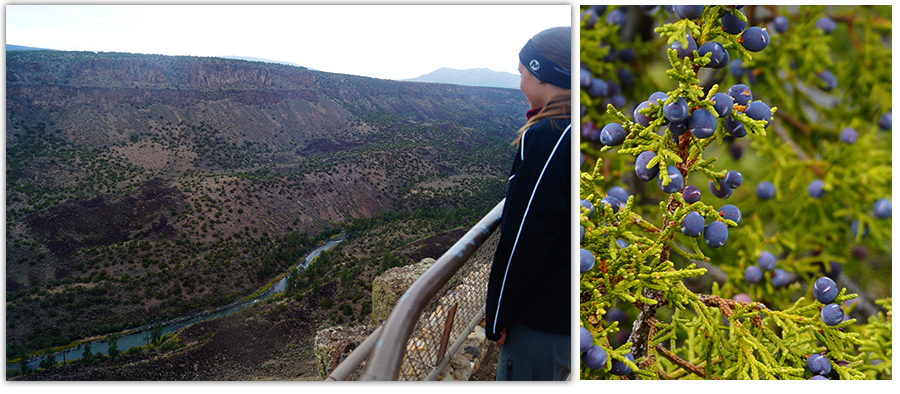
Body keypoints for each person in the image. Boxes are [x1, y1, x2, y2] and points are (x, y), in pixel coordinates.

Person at [484, 26, 571, 381]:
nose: (519, 83)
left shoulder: (548, 136)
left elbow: (525, 236)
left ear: (543, 74)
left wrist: (498, 312)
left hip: (539, 323)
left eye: (522, 73)